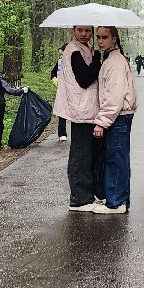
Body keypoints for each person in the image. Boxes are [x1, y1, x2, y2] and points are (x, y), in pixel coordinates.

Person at [52, 25, 103, 210]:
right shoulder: (73, 50)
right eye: (80, 30)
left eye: (88, 31)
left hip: (87, 109)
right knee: (80, 155)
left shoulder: (85, 48)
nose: (84, 34)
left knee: (88, 154)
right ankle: (78, 199)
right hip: (80, 110)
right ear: (74, 30)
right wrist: (97, 59)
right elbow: (84, 78)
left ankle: (87, 195)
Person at [91, 26, 137, 213]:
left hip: (118, 116)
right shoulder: (111, 60)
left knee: (116, 159)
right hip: (120, 116)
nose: (100, 41)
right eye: (99, 37)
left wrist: (102, 120)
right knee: (117, 158)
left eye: (105, 37)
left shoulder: (115, 62)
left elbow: (114, 96)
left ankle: (116, 202)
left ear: (114, 38)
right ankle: (118, 198)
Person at [49, 59, 69, 142]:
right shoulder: (59, 62)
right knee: (62, 111)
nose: (61, 57)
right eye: (60, 55)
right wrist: (56, 82)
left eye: (62, 54)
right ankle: (62, 133)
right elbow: (52, 74)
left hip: (75, 91)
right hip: (62, 91)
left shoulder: (76, 60)